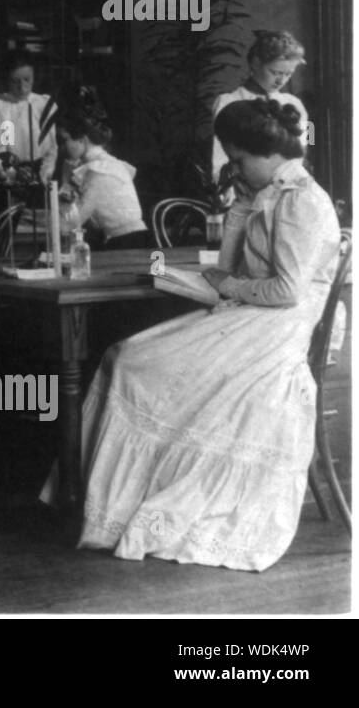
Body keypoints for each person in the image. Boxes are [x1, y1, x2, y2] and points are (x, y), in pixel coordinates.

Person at [43, 100, 341, 571]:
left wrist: (229, 286)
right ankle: (96, 502)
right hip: (250, 313)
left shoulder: (301, 199)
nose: (235, 169)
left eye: (238, 161)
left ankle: (119, 504)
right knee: (127, 353)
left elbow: (286, 290)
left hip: (275, 327)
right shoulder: (267, 192)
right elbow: (229, 266)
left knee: (133, 361)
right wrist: (241, 207)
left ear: (262, 154)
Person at [211, 29, 308, 180]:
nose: (281, 81)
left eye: (288, 74)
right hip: (243, 188)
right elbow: (219, 156)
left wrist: (311, 142)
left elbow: (307, 139)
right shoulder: (229, 102)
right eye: (275, 72)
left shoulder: (293, 103)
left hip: (287, 185)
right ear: (256, 63)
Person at [55, 95, 148, 249]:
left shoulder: (97, 170)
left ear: (82, 140)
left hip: (130, 243)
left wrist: (65, 179)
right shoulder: (104, 164)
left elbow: (72, 222)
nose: (61, 148)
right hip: (125, 240)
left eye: (64, 140)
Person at [0, 50, 58, 185]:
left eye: (27, 79)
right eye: (15, 81)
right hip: (7, 178)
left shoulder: (45, 105)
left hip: (40, 177)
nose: (22, 88)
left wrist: (45, 174)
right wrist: (12, 172)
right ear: (7, 79)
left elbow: (52, 149)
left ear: (34, 76)